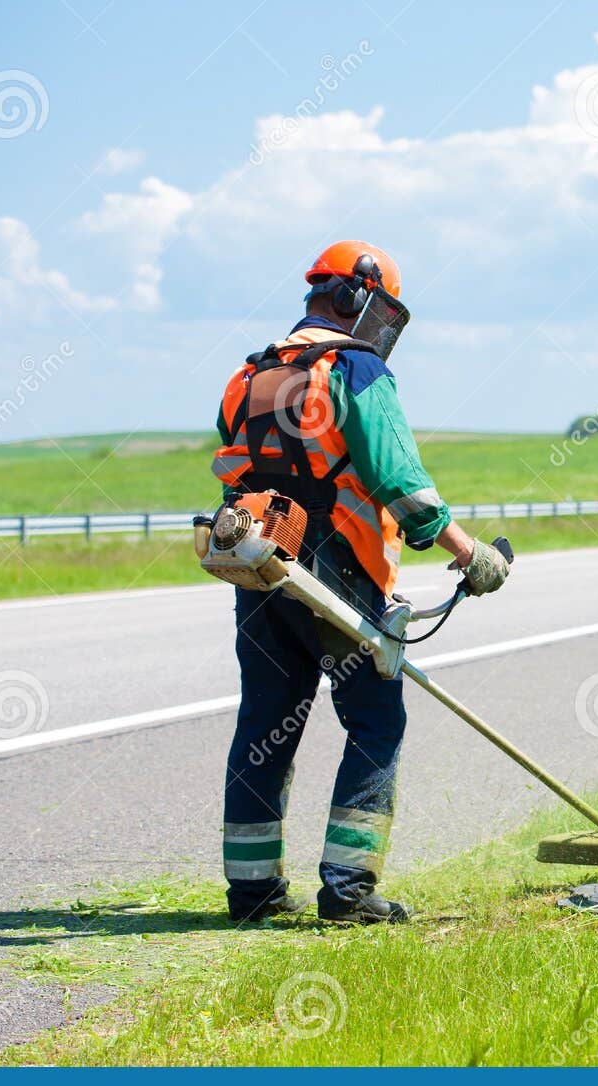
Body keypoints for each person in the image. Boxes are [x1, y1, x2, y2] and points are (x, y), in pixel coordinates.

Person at [210, 240, 509, 926]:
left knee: (264, 723)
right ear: (356, 298)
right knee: (376, 720)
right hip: (336, 568)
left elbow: (235, 468)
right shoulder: (356, 367)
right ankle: (347, 890)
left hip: (259, 569)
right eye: (378, 309)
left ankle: (251, 892)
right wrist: (469, 553)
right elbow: (398, 478)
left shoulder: (248, 374)